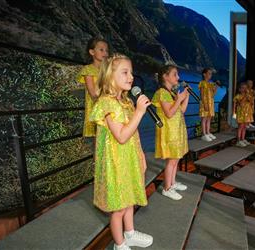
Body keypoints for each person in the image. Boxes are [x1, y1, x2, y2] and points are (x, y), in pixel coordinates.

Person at [90, 54, 153, 250]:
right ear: (110, 76)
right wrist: (140, 113)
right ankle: (119, 244)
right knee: (118, 207)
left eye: (131, 72)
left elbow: (133, 136)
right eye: (125, 72)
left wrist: (141, 155)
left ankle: (130, 233)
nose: (131, 76)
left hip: (129, 159)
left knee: (129, 199)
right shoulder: (107, 103)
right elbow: (121, 136)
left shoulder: (126, 103)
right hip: (115, 164)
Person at [152, 64, 189, 201]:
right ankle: (167, 188)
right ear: (165, 76)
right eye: (175, 74)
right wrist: (179, 99)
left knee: (176, 158)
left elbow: (182, 110)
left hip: (177, 131)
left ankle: (172, 183)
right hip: (169, 132)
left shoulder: (172, 93)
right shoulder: (162, 93)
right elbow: (169, 113)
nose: (178, 77)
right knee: (171, 161)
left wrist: (185, 97)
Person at [77, 37, 109, 137]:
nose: (105, 53)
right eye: (101, 50)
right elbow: (92, 93)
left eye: (106, 50)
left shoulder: (108, 70)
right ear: (92, 52)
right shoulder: (88, 69)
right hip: (97, 108)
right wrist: (103, 106)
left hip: (109, 107)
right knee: (98, 141)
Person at [199, 68, 217, 141]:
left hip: (210, 103)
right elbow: (202, 94)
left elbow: (213, 95)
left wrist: (216, 87)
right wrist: (204, 104)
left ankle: (208, 132)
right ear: (204, 74)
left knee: (209, 118)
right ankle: (204, 134)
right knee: (204, 118)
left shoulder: (210, 84)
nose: (210, 75)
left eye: (211, 74)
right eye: (209, 73)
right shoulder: (202, 83)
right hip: (205, 103)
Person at [233, 82, 253, 147]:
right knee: (240, 127)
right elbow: (240, 103)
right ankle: (238, 141)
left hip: (246, 113)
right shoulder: (238, 96)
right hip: (240, 113)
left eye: (245, 88)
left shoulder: (248, 96)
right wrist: (234, 112)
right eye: (242, 88)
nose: (244, 89)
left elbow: (251, 102)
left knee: (244, 127)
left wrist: (249, 97)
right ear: (239, 89)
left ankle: (243, 139)